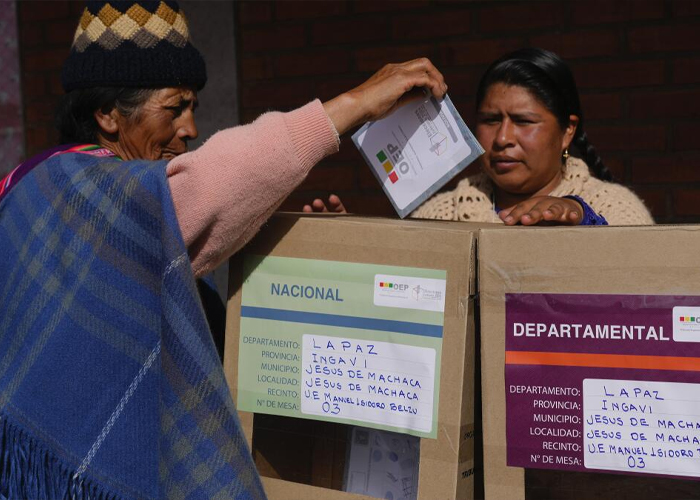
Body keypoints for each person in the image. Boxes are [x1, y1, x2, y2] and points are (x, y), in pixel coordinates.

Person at [0, 2, 446, 499]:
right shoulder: (72, 188)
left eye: (193, 107)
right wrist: (355, 104)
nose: (190, 128)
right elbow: (209, 187)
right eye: (174, 108)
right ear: (107, 114)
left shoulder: (74, 186)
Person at [305, 48, 654, 226]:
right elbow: (396, 304)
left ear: (567, 131)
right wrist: (346, 247)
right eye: (489, 120)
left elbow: (641, 299)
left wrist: (584, 218)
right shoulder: (441, 214)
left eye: (523, 121)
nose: (502, 138)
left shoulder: (613, 207)